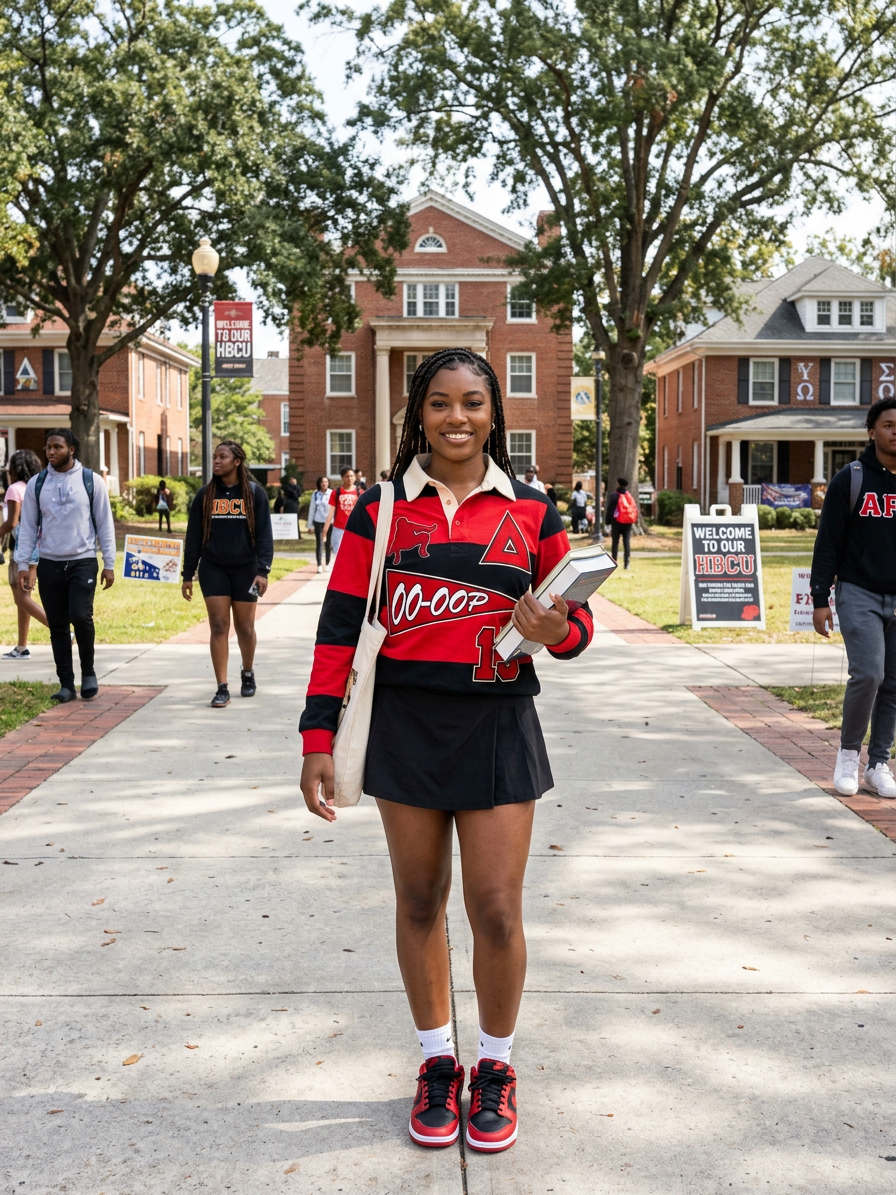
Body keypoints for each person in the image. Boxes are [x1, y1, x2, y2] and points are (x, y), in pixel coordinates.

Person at [300, 347, 593, 1155]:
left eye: (471, 402)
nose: (455, 417)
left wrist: (554, 628)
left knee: (495, 908)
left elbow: (578, 627)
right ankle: (437, 1063)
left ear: (495, 413)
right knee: (420, 900)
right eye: (438, 403)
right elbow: (338, 630)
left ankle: (494, 1068)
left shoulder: (533, 510)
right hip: (405, 724)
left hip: (499, 724)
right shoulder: (380, 508)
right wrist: (316, 737)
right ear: (417, 413)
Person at [811, 397, 896, 799]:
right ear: (872, 430)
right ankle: (848, 755)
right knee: (869, 673)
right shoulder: (853, 478)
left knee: (894, 682)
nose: (895, 431)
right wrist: (819, 598)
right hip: (859, 591)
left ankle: (878, 764)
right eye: (888, 424)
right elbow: (828, 542)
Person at [14, 429, 116, 702]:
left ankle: (89, 673)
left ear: (71, 449)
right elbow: (28, 528)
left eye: (57, 447)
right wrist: (24, 563)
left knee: (81, 616)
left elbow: (105, 523)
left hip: (82, 560)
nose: (51, 452)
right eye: (48, 447)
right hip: (49, 563)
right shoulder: (38, 483)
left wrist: (109, 562)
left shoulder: (91, 481)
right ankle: (67, 685)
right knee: (58, 625)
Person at [181, 440, 274, 708]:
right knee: (219, 626)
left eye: (223, 457)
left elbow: (265, 536)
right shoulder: (205, 496)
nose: (217, 461)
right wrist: (188, 574)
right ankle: (222, 686)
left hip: (247, 570)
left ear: (237, 461)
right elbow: (194, 537)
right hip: (214, 568)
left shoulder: (255, 494)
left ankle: (247, 672)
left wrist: (263, 571)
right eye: (214, 457)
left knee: (245, 628)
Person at [0, 449, 48, 659]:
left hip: (22, 548)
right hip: (41, 548)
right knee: (25, 596)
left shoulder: (14, 490)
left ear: (15, 469)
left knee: (21, 598)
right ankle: (22, 647)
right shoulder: (37, 487)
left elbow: (12, 522)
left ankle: (62, 630)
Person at [323, 466, 360, 556]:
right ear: (342, 478)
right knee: (339, 555)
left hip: (354, 529)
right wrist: (325, 530)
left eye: (352, 476)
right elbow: (331, 512)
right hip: (339, 528)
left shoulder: (360, 492)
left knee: (353, 555)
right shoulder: (336, 493)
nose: (350, 478)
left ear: (355, 477)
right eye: (347, 476)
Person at [605, 477, 638, 569]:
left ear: (618, 484)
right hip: (628, 522)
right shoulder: (629, 496)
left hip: (616, 522)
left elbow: (610, 510)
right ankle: (627, 563)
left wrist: (608, 522)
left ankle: (614, 562)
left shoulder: (614, 496)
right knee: (626, 542)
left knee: (615, 542)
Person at [308, 475, 332, 573]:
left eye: (326, 482)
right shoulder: (315, 494)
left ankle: (327, 563)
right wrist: (310, 525)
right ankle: (319, 565)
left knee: (328, 543)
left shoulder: (331, 493)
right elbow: (312, 509)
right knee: (319, 543)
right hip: (318, 521)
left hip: (329, 521)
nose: (324, 484)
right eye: (322, 482)